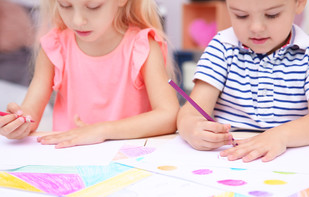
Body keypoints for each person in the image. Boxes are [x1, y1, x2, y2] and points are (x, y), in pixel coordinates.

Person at [177, 0, 309, 162]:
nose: (256, 28)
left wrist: (280, 136)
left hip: (294, 158)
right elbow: (191, 112)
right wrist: (190, 127)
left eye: (272, 15)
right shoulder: (222, 47)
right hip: (232, 158)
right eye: (241, 15)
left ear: (299, 3)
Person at [0, 0, 179, 148]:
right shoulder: (54, 46)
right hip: (69, 159)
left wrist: (102, 130)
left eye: (93, 6)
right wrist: (18, 124)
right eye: (65, 5)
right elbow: (31, 114)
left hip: (129, 160)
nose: (77, 21)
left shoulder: (142, 46)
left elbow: (169, 115)